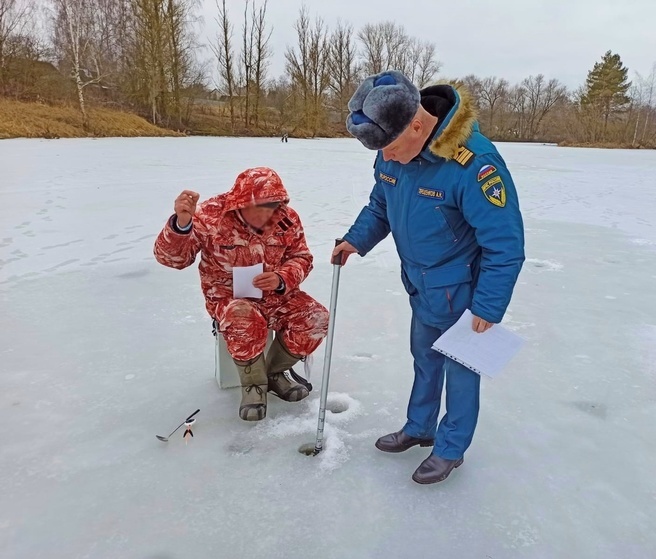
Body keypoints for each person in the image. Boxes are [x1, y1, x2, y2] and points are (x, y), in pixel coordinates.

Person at [332, 70, 525, 484]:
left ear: (418, 125)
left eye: (394, 149)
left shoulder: (474, 164)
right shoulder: (392, 150)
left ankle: (451, 448)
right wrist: (355, 240)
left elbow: (505, 245)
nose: (386, 158)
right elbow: (380, 206)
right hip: (422, 287)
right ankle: (420, 427)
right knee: (424, 360)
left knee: (460, 374)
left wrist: (488, 307)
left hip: (465, 295)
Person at [154, 167, 329, 421]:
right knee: (242, 316)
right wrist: (181, 225)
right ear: (240, 203)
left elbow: (302, 257)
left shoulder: (286, 219)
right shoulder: (210, 216)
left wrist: (282, 278)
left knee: (315, 318)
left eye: (272, 207)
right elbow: (173, 260)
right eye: (260, 207)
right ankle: (254, 385)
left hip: (276, 296)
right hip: (229, 298)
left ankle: (274, 374)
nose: (266, 215)